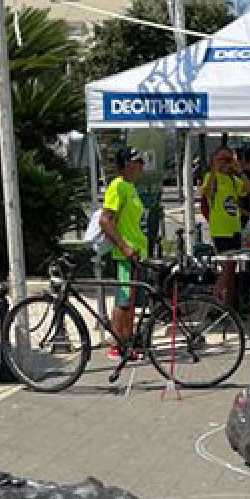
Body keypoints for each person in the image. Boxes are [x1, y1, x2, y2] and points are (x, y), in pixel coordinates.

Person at [100, 148, 148, 359]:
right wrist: (124, 247)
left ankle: (128, 343)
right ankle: (117, 343)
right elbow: (105, 220)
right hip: (125, 255)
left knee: (130, 301)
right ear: (128, 164)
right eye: (138, 162)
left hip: (136, 252)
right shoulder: (117, 186)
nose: (142, 166)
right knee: (123, 299)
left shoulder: (130, 187)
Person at [201, 147, 250, 305]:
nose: (226, 163)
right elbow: (207, 193)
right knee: (227, 269)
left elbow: (248, 189)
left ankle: (228, 306)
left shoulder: (231, 179)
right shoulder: (210, 177)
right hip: (220, 230)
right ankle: (214, 302)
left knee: (232, 270)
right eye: (222, 159)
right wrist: (215, 170)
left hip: (234, 228)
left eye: (228, 159)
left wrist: (239, 170)